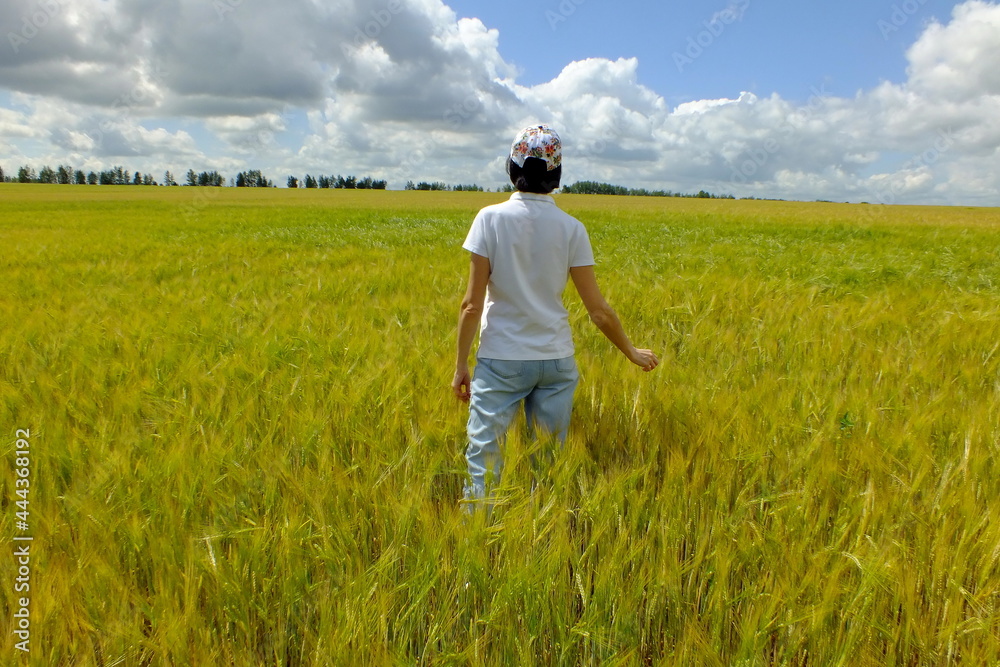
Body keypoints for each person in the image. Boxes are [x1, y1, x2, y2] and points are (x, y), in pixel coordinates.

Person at [452, 124, 658, 504]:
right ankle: (542, 536)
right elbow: (597, 310)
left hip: (502, 360)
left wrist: (461, 364)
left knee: (485, 461)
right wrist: (631, 352)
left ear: (511, 169)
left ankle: (480, 539)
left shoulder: (489, 219)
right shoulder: (572, 229)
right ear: (557, 175)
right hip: (556, 361)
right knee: (548, 466)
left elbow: (471, 304)